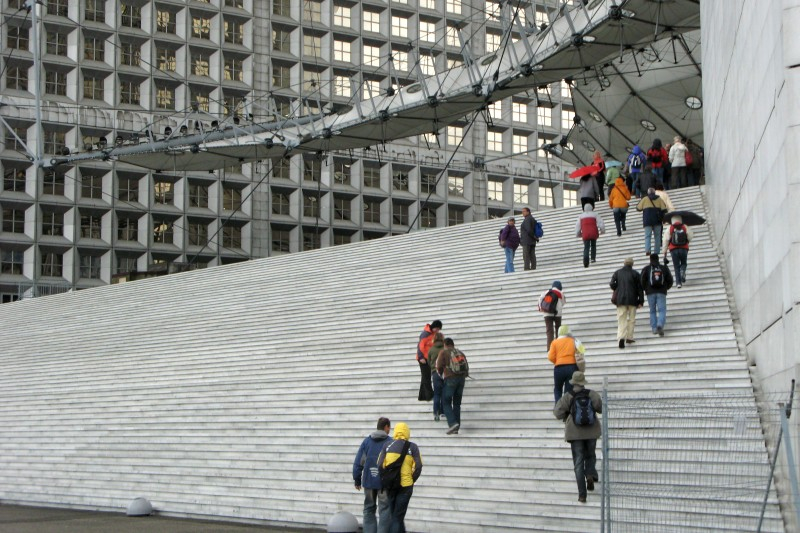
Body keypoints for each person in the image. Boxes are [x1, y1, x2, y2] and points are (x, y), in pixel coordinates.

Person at [553, 371, 602, 504]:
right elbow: (601, 408)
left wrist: (568, 414)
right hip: (592, 431)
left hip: (575, 434)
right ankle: (590, 474)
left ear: (573, 383)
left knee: (578, 463)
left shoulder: (568, 396)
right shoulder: (592, 394)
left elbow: (557, 413)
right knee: (590, 455)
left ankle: (582, 495)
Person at [377, 422, 422, 533]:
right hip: (405, 486)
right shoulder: (412, 447)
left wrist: (386, 478)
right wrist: (411, 480)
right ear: (407, 432)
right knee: (398, 517)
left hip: (391, 485)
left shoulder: (387, 446)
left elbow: (379, 464)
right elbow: (418, 466)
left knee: (395, 516)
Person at [353, 417, 393, 533]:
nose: (389, 429)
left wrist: (357, 479)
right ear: (386, 427)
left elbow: (358, 462)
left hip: (369, 482)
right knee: (385, 510)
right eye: (389, 427)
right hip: (384, 483)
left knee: (369, 509)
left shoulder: (367, 442)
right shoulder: (390, 442)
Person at [436, 337, 469, 435]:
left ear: (445, 344)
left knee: (446, 401)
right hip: (461, 380)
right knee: (457, 404)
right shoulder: (460, 352)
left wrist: (441, 374)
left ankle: (452, 423)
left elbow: (438, 366)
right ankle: (456, 426)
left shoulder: (444, 352)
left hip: (450, 379)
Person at [610, 257, 644, 349]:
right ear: (632, 264)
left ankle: (621, 337)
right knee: (631, 319)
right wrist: (641, 301)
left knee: (622, 319)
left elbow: (612, 284)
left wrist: (618, 288)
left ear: (624, 263)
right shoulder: (636, 274)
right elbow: (640, 289)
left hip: (620, 300)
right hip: (633, 300)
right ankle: (629, 337)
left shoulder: (617, 273)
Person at [547, 325, 583, 403]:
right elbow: (581, 352)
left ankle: (559, 408)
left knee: (558, 389)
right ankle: (568, 409)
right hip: (572, 367)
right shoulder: (574, 340)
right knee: (569, 390)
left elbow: (550, 357)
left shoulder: (554, 342)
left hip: (559, 368)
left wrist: (557, 361)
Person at [641, 253, 674, 336]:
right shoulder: (663, 268)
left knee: (652, 311)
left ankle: (654, 329)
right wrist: (665, 288)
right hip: (661, 292)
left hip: (650, 292)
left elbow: (642, 281)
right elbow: (670, 280)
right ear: (658, 259)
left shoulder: (646, 269)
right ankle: (660, 325)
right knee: (662, 310)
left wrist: (646, 289)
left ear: (650, 260)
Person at [636, 187, 668, 256]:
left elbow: (638, 208)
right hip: (657, 220)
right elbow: (664, 209)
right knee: (657, 236)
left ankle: (648, 250)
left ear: (648, 193)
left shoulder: (644, 199)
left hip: (647, 221)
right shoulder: (659, 199)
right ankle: (657, 251)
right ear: (654, 192)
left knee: (647, 236)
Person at [664, 214, 693, 288]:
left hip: (673, 249)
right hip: (684, 248)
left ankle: (678, 283)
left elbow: (666, 240)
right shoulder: (684, 226)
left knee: (676, 266)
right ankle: (682, 270)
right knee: (684, 263)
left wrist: (665, 251)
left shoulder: (670, 228)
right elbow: (690, 236)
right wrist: (687, 241)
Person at [416, 320, 441, 402]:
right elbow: (420, 346)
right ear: (434, 327)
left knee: (425, 376)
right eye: (437, 329)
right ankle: (430, 395)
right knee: (426, 377)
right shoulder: (425, 334)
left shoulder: (433, 334)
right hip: (423, 358)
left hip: (428, 358)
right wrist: (421, 357)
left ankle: (422, 396)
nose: (437, 331)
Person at [575, 203, 605, 268]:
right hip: (593, 232)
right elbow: (600, 223)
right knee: (593, 245)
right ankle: (593, 258)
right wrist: (602, 230)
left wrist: (578, 234)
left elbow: (578, 226)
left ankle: (586, 261)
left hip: (585, 233)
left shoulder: (581, 216)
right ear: (592, 208)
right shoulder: (595, 214)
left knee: (586, 247)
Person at [538, 280, 565, 350]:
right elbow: (563, 302)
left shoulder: (546, 292)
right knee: (558, 329)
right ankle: (558, 347)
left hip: (547, 313)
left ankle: (550, 348)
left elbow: (540, 299)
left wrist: (541, 308)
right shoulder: (561, 293)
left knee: (549, 331)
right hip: (557, 314)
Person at [428, 332, 445, 421]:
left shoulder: (431, 350)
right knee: (444, 392)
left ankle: (435, 412)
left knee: (437, 393)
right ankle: (443, 412)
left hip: (435, 373)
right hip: (444, 373)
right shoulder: (444, 348)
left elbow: (428, 361)